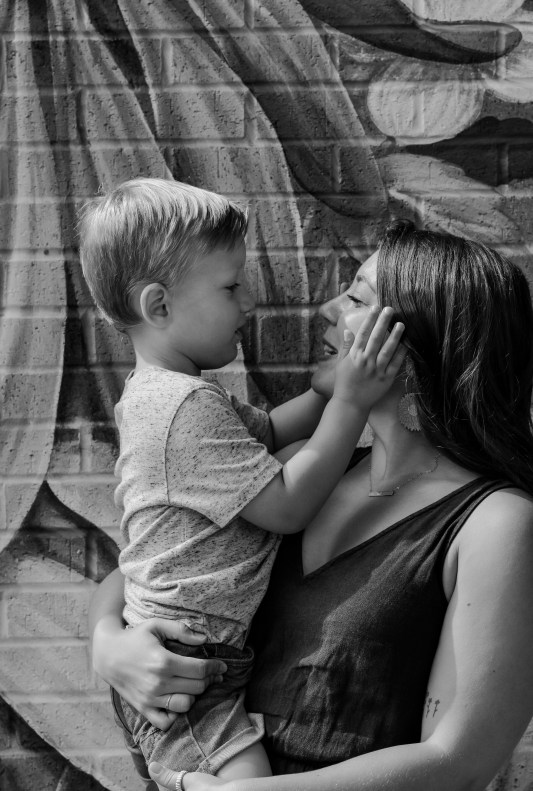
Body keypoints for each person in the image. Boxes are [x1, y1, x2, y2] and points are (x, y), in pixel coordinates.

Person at [89, 220, 533, 791]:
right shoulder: (304, 470)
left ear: (419, 342)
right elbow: (150, 561)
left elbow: (459, 761)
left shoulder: (497, 522)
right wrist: (109, 643)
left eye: (356, 299)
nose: (325, 309)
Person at [79, 178, 405, 787]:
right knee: (246, 783)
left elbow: (270, 435)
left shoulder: (178, 397)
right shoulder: (180, 409)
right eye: (231, 287)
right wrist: (351, 403)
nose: (249, 301)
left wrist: (329, 390)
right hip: (185, 666)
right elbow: (287, 505)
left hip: (192, 659)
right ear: (159, 306)